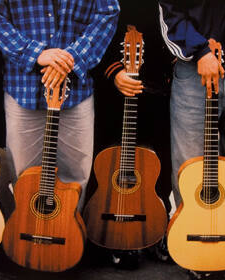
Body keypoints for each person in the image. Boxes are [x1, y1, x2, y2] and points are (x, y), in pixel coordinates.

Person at [158, 1, 225, 279]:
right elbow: (170, 13)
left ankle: (224, 233)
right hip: (195, 69)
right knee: (190, 168)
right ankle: (190, 237)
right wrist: (200, 51)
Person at [0, 0, 119, 212]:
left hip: (76, 89)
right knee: (24, 178)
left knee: (74, 180)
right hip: (23, 88)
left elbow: (108, 12)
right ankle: (28, 240)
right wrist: (34, 54)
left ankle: (67, 238)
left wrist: (71, 58)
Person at [90, 0, 173, 268]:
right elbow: (91, 30)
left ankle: (156, 228)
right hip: (112, 87)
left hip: (157, 85)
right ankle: (104, 231)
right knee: (106, 161)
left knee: (158, 163)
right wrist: (113, 72)